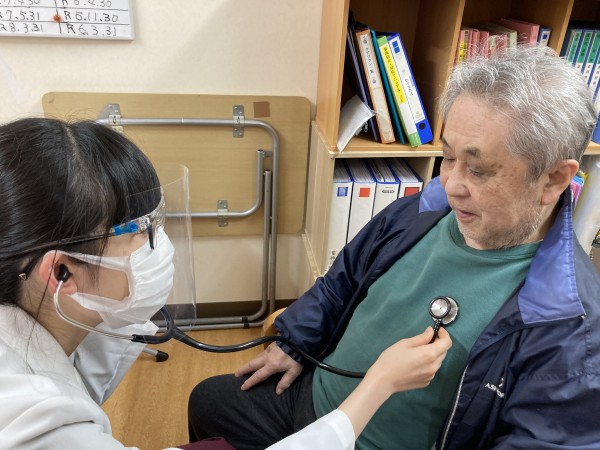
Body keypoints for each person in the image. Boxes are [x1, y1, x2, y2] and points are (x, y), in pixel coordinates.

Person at [188, 45, 600, 450]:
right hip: (312, 398)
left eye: (478, 169)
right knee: (207, 402)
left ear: (553, 180)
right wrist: (296, 343)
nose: (452, 185)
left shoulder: (572, 326)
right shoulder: (421, 210)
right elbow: (343, 279)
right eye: (448, 156)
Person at [0, 117, 451, 450]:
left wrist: (295, 341)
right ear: (61, 273)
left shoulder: (37, 310)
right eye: (142, 232)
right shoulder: (35, 421)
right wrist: (377, 386)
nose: (159, 246)